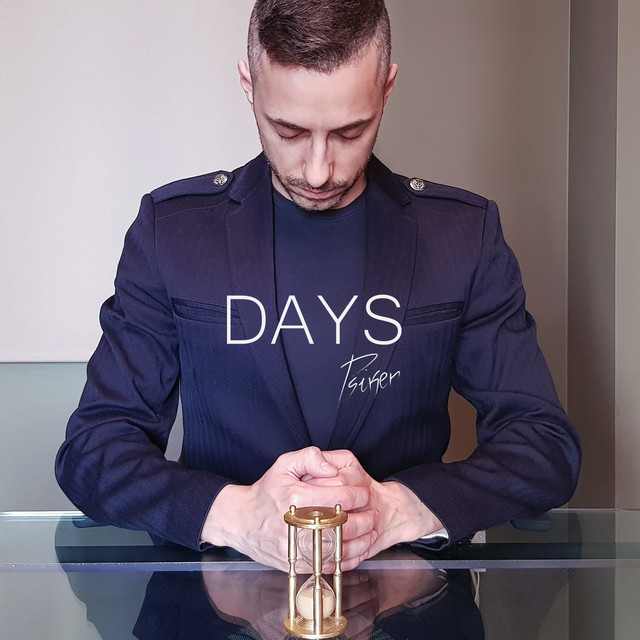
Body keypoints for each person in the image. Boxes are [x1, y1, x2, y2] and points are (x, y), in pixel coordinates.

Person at [55, 0, 581, 572]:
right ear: (248, 84)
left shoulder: (463, 235)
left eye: (350, 132)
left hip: (407, 599)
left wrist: (399, 510)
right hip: (209, 597)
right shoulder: (173, 232)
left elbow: (544, 447)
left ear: (387, 89)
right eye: (289, 130)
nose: (318, 171)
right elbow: (93, 451)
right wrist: (236, 515)